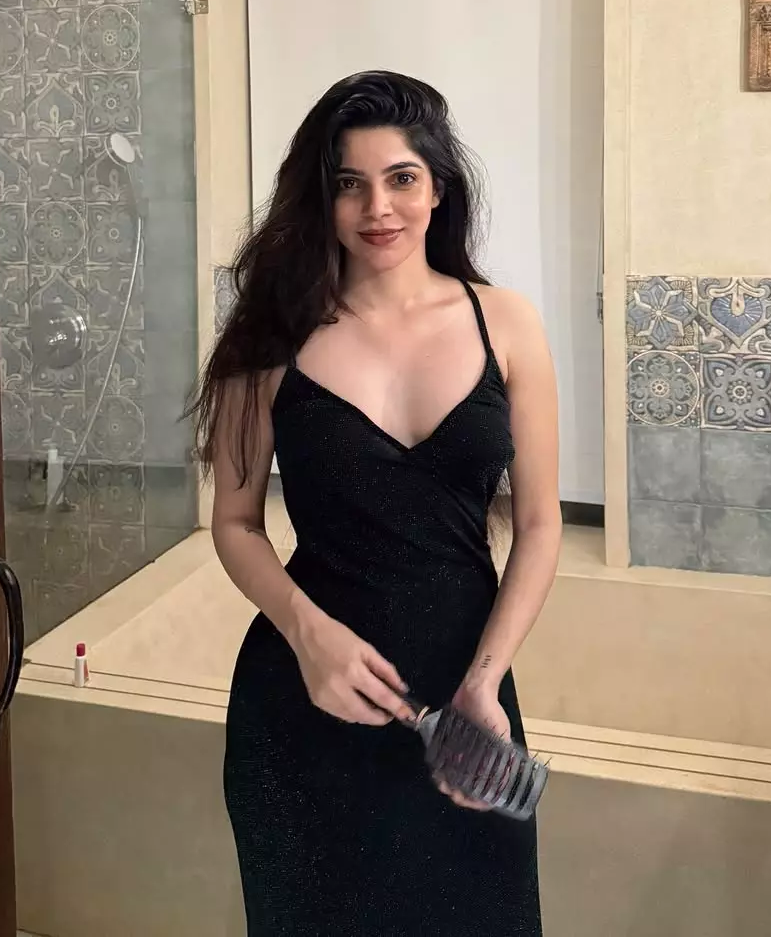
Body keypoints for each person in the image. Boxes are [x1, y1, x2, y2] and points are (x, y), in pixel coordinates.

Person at [191, 71, 562, 936]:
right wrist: (306, 633)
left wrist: (485, 682)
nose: (377, 208)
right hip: (303, 702)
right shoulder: (269, 338)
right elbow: (236, 524)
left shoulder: (506, 323)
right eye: (349, 183)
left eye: (400, 178)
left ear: (438, 187)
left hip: (464, 702)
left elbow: (541, 525)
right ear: (321, 199)